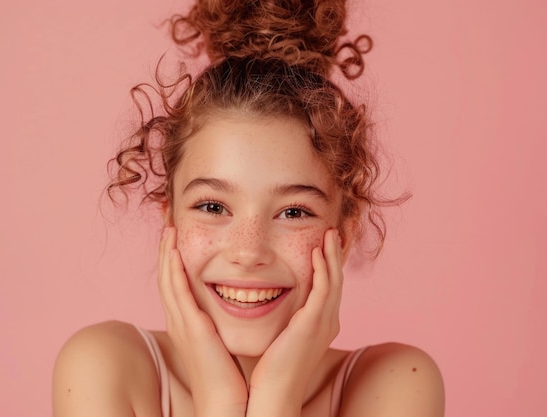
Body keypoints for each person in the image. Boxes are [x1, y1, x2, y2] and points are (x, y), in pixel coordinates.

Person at [52, 1, 445, 416]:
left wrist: (276, 398)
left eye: (293, 212)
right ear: (168, 220)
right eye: (212, 206)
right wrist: (221, 401)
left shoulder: (396, 385)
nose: (248, 251)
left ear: (343, 236)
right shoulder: (105, 369)